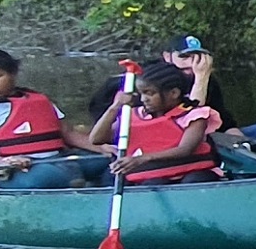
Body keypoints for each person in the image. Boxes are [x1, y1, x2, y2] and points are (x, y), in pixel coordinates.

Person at [0, 50, 110, 190]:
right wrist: (3, 160)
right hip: (14, 168)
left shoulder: (38, 100)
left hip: (58, 160)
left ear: (12, 73)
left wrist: (103, 149)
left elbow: (68, 133)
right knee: (48, 176)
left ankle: (103, 198)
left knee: (113, 165)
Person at [87, 37, 256, 146]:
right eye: (184, 57)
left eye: (197, 56)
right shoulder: (148, 83)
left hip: (207, 135)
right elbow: (190, 116)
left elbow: (223, 119)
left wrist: (237, 140)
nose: (191, 62)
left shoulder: (205, 78)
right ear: (167, 56)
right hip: (165, 141)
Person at [85, 60, 224, 185]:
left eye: (150, 93)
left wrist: (141, 159)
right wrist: (114, 107)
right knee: (153, 185)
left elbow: (185, 149)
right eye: (141, 93)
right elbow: (96, 139)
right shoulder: (133, 116)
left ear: (174, 93)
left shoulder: (193, 115)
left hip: (192, 172)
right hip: (154, 175)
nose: (144, 99)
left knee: (194, 181)